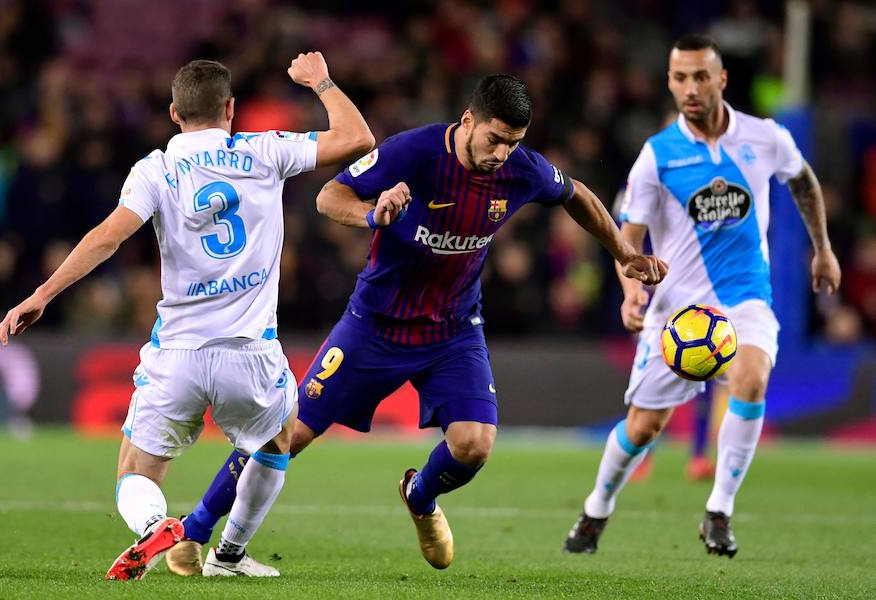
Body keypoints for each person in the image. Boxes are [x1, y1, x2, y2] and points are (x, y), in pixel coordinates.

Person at [164, 74, 668, 574]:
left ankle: (420, 494)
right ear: (468, 120)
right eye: (494, 139)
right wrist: (372, 215)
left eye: (513, 144)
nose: (501, 154)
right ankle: (195, 529)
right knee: (286, 435)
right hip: (374, 325)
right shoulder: (414, 152)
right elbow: (328, 199)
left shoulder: (521, 169)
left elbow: (575, 193)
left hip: (453, 331)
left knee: (474, 445)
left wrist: (623, 252)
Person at [0, 54, 375, 579]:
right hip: (251, 352)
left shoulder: (156, 168)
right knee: (277, 440)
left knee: (135, 470)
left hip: (178, 353)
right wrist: (321, 81)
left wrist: (42, 293)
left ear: (174, 112)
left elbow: (109, 236)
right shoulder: (266, 150)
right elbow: (358, 138)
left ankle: (155, 527)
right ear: (231, 109)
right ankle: (230, 554)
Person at [562, 33, 841, 558]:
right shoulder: (658, 155)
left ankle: (719, 510)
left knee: (752, 377)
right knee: (645, 426)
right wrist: (630, 293)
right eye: (680, 78)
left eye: (700, 76)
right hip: (677, 309)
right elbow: (630, 238)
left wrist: (822, 248)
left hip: (744, 296)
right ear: (670, 83)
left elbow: (804, 182)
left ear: (721, 80)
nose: (690, 87)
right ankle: (597, 507)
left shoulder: (765, 138)